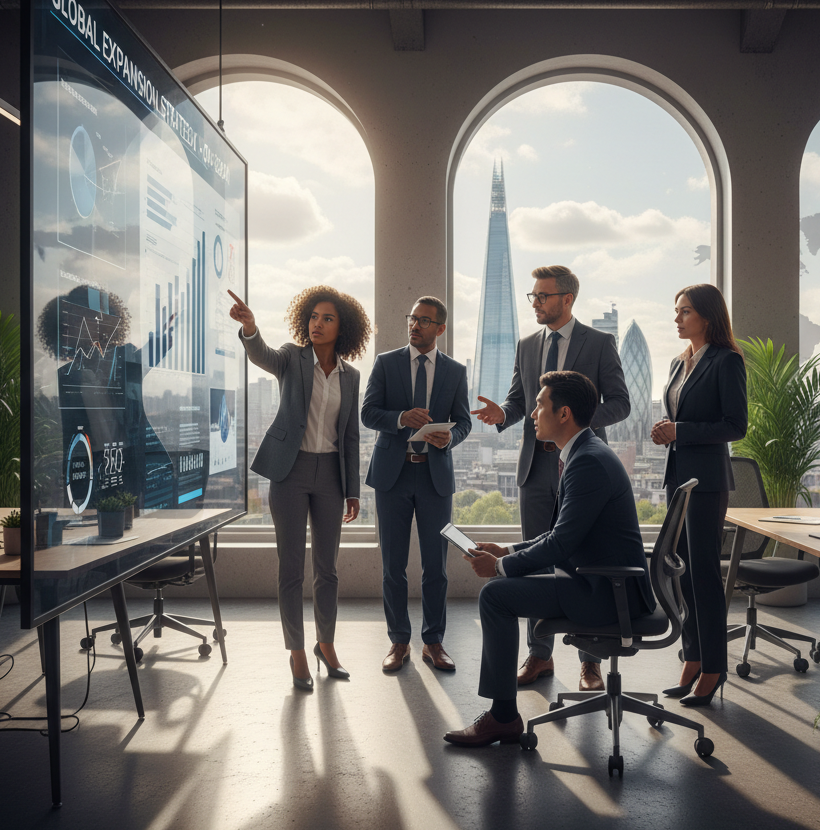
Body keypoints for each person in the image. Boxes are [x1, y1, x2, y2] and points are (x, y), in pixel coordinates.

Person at [444, 370, 654, 746]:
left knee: (496, 595)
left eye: (540, 405)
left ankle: (503, 718)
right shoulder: (584, 453)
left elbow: (560, 544)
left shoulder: (587, 462)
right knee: (502, 588)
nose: (531, 413)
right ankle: (503, 714)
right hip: (598, 580)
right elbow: (559, 535)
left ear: (563, 414)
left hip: (606, 591)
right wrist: (506, 551)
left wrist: (498, 568)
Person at [471, 265, 630, 692]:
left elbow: (620, 402)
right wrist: (503, 413)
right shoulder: (526, 346)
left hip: (579, 461)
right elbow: (520, 400)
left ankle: (591, 663)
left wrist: (574, 422)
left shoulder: (599, 343)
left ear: (567, 299)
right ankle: (539, 656)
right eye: (533, 296)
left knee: (581, 559)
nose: (536, 302)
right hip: (536, 466)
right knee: (533, 564)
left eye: (543, 296)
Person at [228, 285, 371, 691]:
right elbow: (262, 355)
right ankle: (296, 652)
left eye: (327, 318)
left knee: (328, 570)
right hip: (289, 473)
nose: (317, 324)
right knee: (291, 568)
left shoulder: (352, 375)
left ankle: (325, 645)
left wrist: (353, 490)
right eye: (313, 317)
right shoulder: (292, 358)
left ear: (342, 328)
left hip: (330, 475)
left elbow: (351, 437)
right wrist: (251, 329)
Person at [361, 296, 471, 673]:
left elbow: (464, 421)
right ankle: (398, 642)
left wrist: (450, 438)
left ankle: (434, 642)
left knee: (436, 567)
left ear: (440, 328)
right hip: (393, 476)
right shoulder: (386, 363)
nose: (415, 325)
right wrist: (401, 418)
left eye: (424, 321)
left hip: (434, 476)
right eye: (412, 318)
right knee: (393, 566)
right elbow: (367, 412)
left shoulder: (454, 371)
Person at [650, 284, 747, 707]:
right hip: (679, 477)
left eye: (684, 311)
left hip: (707, 482)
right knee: (682, 574)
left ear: (706, 316)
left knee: (704, 575)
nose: (677, 318)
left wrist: (682, 432)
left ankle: (714, 668)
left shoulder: (726, 362)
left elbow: (735, 425)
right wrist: (665, 430)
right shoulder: (679, 362)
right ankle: (691, 658)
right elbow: (680, 416)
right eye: (676, 311)